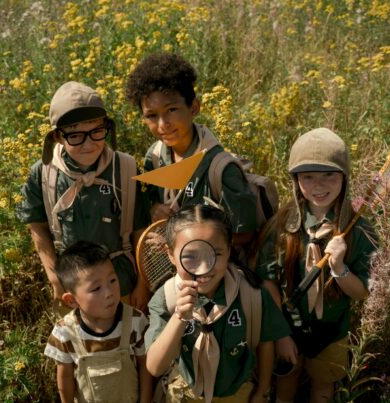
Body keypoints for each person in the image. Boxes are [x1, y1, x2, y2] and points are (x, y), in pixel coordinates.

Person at [252, 128, 378, 402]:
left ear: (344, 178)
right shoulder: (281, 227)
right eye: (308, 177)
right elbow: (268, 281)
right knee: (286, 383)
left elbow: (362, 292)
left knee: (323, 387)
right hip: (287, 327)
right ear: (295, 180)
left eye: (329, 176)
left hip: (332, 331)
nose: (318, 186)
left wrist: (339, 267)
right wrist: (281, 333)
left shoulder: (359, 231)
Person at [17, 81, 151, 311]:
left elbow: (139, 230)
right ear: (58, 137)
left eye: (97, 132)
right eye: (76, 136)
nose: (88, 144)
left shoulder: (125, 168)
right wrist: (54, 279)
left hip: (122, 285)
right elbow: (37, 227)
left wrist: (143, 283)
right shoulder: (43, 173)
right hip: (72, 289)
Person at [145, 204, 292, 403]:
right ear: (170, 254)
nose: (204, 267)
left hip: (238, 395)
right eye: (190, 256)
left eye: (215, 253)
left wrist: (262, 390)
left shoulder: (253, 295)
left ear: (230, 249)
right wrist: (179, 317)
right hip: (185, 394)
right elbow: (155, 367)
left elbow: (265, 344)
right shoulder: (166, 298)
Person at [125, 52, 257, 251]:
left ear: (194, 107)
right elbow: (147, 206)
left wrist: (181, 240)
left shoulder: (221, 169)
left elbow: (245, 234)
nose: (163, 125)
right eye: (151, 116)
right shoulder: (154, 157)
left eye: (171, 110)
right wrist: (155, 209)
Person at [44, 240, 152, 403]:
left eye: (113, 280)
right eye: (96, 289)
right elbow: (65, 377)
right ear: (72, 300)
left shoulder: (135, 321)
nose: (109, 292)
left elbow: (145, 367)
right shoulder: (65, 332)